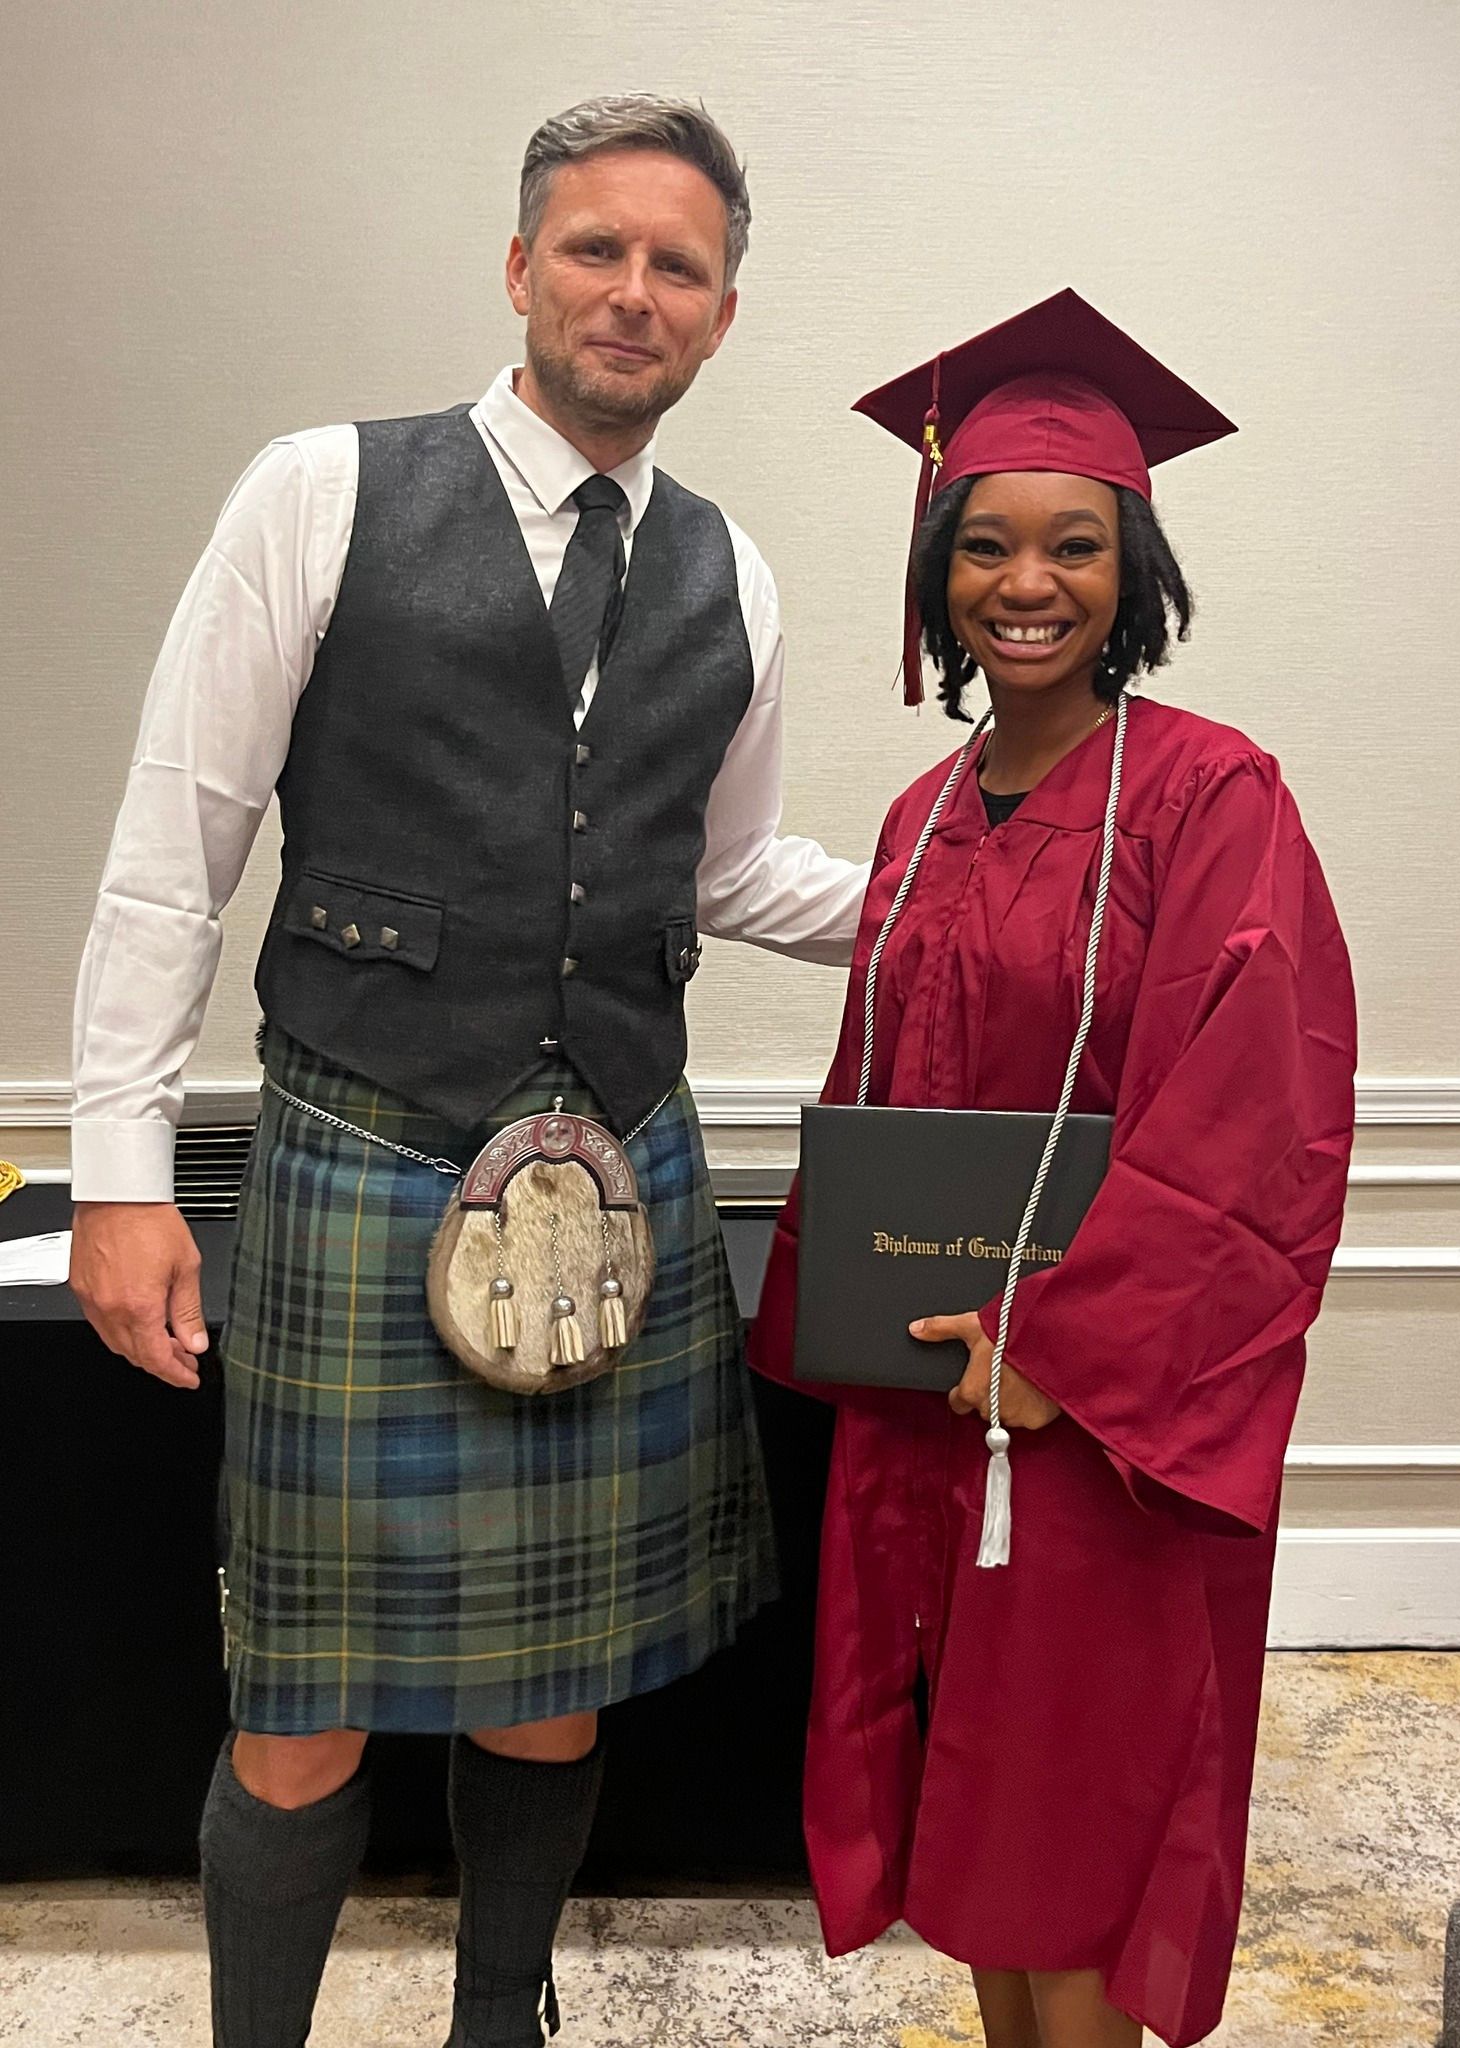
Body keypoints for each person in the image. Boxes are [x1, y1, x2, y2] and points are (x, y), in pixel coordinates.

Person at [68, 94, 867, 2048]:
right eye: (594, 248)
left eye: (677, 265)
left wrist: (984, 876)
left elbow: (727, 865)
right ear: (520, 271)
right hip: (369, 1149)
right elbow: (180, 841)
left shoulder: (734, 579)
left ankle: (500, 2017)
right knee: (298, 1698)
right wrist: (116, 1168)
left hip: (617, 1177)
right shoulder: (319, 491)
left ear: (723, 314)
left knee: (557, 1670)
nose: (632, 290)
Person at [749, 290, 1357, 2048]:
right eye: (989, 545)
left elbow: (1259, 1120)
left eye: (1075, 545)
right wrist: (864, 1334)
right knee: (983, 1842)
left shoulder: (1209, 793)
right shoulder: (922, 818)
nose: (1029, 583)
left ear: (1134, 571)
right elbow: (880, 1094)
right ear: (938, 572)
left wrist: (1065, 1354)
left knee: (1078, 1848)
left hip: (1092, 1420)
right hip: (936, 1401)